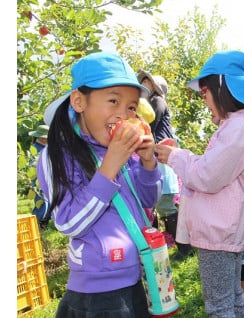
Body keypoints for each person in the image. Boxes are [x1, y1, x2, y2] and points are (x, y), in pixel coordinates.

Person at [37, 51, 162, 318]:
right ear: (79, 101)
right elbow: (69, 222)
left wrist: (148, 162)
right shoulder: (58, 155)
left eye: (130, 107)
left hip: (135, 278)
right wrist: (109, 168)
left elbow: (148, 202)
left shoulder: (122, 148)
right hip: (97, 295)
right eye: (113, 100)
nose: (123, 114)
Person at [155, 50, 244, 317]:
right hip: (229, 229)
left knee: (219, 304)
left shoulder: (239, 128)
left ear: (222, 88)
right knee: (233, 296)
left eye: (205, 93)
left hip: (219, 232)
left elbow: (207, 176)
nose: (204, 101)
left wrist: (175, 156)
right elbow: (220, 168)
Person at [137, 70, 193, 260]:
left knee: (165, 206)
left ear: (155, 87)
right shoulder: (148, 103)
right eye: (143, 81)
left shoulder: (157, 102)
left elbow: (148, 127)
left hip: (161, 156)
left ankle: (185, 248)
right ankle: (156, 247)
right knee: (153, 205)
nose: (144, 83)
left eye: (148, 82)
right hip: (156, 156)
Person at [28, 124, 50, 229]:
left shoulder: (46, 148)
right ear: (41, 138)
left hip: (47, 179)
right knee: (42, 203)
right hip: (39, 180)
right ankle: (35, 225)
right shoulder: (36, 148)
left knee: (50, 203)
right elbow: (33, 166)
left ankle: (43, 224)